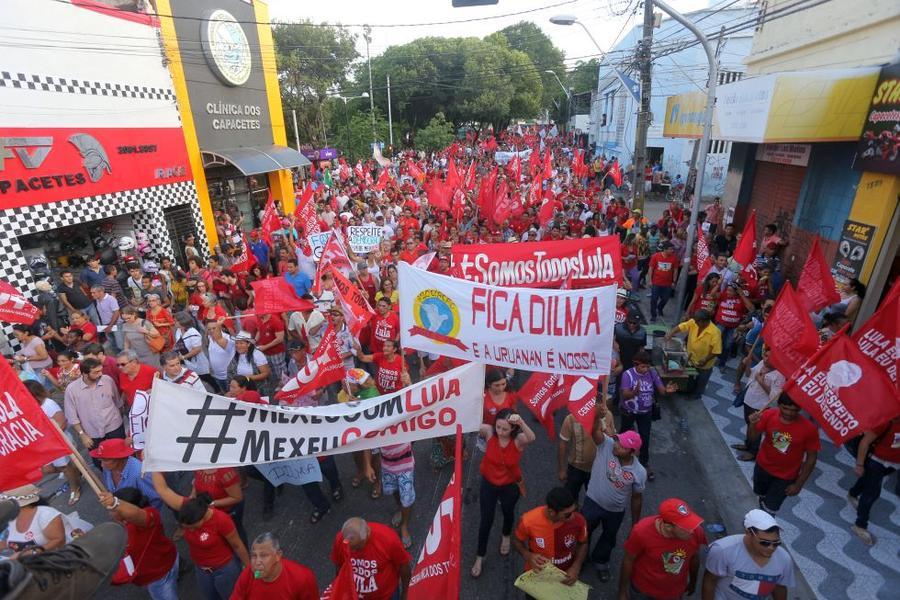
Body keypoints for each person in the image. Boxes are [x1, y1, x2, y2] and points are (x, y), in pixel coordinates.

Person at [152, 473, 250, 600]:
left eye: (193, 527)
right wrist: (152, 463)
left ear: (202, 516)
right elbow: (162, 490)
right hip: (202, 571)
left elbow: (237, 545)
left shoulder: (221, 520)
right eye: (186, 528)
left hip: (224, 571)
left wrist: (249, 568)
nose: (191, 530)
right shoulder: (188, 507)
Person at [471, 408, 536, 578]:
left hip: (509, 486)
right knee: (486, 520)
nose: (501, 432)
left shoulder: (519, 440)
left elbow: (532, 437)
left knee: (508, 513)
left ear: (513, 429)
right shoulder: (489, 432)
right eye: (498, 427)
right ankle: (480, 556)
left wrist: (521, 421)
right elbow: (470, 423)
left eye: (505, 429)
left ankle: (506, 535)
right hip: (488, 485)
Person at [581, 415, 646, 582]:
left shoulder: (639, 472)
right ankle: (579, 559)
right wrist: (595, 414)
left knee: (609, 538)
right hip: (592, 502)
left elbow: (637, 498)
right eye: (618, 441)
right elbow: (593, 430)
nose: (617, 445)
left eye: (622, 445)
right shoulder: (606, 445)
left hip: (615, 511)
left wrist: (635, 524)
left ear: (632, 452)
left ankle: (601, 561)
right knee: (583, 533)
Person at [98, 487, 179, 600]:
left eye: (112, 510)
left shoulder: (149, 515)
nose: (109, 513)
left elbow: (136, 514)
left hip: (158, 575)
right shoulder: (122, 524)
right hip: (165, 560)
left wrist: (115, 503)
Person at [618, 498, 707, 600]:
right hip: (643, 590)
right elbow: (628, 560)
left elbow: (694, 557)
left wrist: (693, 582)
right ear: (668, 527)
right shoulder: (641, 532)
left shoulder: (697, 532)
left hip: (673, 593)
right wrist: (622, 591)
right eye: (686, 527)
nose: (692, 531)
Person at [748, 394, 820, 514]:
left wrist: (798, 484)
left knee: (769, 511)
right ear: (779, 405)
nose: (789, 413)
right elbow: (752, 438)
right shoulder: (768, 414)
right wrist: (752, 424)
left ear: (800, 409)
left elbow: (811, 459)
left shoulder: (809, 429)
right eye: (785, 408)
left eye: (794, 410)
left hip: (785, 478)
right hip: (762, 468)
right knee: (761, 497)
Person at [702, 509, 795, 600]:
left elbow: (779, 587)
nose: (771, 548)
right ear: (748, 533)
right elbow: (710, 581)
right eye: (764, 543)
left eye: (776, 543)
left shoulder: (784, 558)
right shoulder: (722, 550)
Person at [618, 350, 677, 480]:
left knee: (645, 438)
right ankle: (620, 458)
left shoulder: (652, 373)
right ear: (636, 364)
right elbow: (625, 395)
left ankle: (644, 463)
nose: (646, 369)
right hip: (629, 411)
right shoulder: (628, 375)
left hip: (645, 412)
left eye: (648, 366)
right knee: (624, 435)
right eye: (643, 366)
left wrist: (667, 391)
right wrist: (634, 392)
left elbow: (661, 390)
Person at [23, 381, 82, 506]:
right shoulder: (30, 406)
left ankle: (74, 488)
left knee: (64, 467)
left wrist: (51, 440)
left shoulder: (48, 404)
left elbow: (62, 423)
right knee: (48, 469)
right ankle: (75, 472)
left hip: (58, 442)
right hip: (44, 444)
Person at [513, 487, 588, 585]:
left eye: (575, 510)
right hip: (536, 574)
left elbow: (583, 543)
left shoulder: (579, 521)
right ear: (552, 512)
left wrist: (576, 567)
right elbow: (516, 540)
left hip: (565, 576)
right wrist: (527, 555)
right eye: (567, 514)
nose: (573, 516)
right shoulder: (528, 521)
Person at [847, 416, 899, 546]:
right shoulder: (885, 423)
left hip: (893, 464)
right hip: (876, 461)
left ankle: (853, 493)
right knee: (872, 492)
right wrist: (859, 465)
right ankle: (860, 524)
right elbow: (865, 442)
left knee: (868, 480)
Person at [329, 517, 411, 600]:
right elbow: (339, 565)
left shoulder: (388, 539)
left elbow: (404, 566)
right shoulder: (341, 539)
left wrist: (406, 592)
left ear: (367, 535)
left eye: (357, 547)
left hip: (386, 596)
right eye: (349, 547)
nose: (352, 551)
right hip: (355, 595)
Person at [64, 357, 125, 466]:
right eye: (96, 372)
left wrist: (119, 421)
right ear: (84, 373)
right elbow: (72, 416)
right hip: (92, 433)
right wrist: (82, 435)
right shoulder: (71, 389)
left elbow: (117, 402)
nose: (100, 374)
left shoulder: (107, 380)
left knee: (122, 457)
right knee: (100, 462)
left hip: (114, 427)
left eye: (100, 370)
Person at [557, 397, 614, 501]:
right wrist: (562, 469)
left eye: (601, 402)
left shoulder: (608, 415)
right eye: (597, 403)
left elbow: (612, 439)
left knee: (594, 500)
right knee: (570, 499)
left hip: (598, 468)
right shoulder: (571, 418)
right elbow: (562, 443)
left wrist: (603, 423)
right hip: (576, 467)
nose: (602, 406)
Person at [231, 532, 318, 599]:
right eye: (254, 556)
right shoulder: (250, 574)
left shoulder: (302, 578)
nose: (257, 562)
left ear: (278, 555)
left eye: (263, 555)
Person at [733, 347, 784, 462]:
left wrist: (761, 382)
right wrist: (747, 364)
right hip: (749, 399)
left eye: (770, 358)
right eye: (765, 356)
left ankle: (753, 452)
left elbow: (775, 397)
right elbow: (749, 375)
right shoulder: (761, 363)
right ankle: (748, 444)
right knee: (748, 423)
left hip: (761, 406)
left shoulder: (779, 375)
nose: (766, 359)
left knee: (756, 428)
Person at [90, 438, 162, 510]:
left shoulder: (139, 473)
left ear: (120, 458)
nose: (102, 465)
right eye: (101, 460)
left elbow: (155, 500)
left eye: (105, 460)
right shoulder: (108, 468)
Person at [665, 309, 722, 399]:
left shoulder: (715, 332)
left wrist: (705, 359)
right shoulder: (694, 322)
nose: (694, 322)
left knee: (701, 380)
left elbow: (716, 351)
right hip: (690, 357)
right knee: (689, 376)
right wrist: (671, 333)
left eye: (697, 321)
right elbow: (681, 327)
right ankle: (687, 390)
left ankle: (696, 395)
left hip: (704, 363)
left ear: (704, 321)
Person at [0, 485, 68, 556]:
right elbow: (14, 541)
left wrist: (28, 554)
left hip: (58, 560)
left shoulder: (46, 514)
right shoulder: (11, 519)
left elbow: (59, 540)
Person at [714, 283, 754, 368]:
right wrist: (719, 283)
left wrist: (741, 294)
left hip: (733, 327)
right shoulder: (723, 295)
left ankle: (722, 363)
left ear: (736, 292)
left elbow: (751, 309)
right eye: (727, 290)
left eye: (730, 291)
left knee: (727, 345)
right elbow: (712, 294)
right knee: (714, 340)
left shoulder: (741, 299)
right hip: (720, 323)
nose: (727, 292)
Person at [228, 331, 273, 398]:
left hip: (257, 389)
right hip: (241, 390)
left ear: (248, 344)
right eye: (236, 343)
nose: (238, 345)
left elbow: (266, 373)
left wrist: (248, 378)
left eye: (241, 343)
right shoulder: (235, 354)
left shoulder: (257, 355)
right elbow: (230, 371)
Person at [648, 242, 678, 322]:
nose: (672, 251)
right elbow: (651, 269)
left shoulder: (674, 258)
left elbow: (675, 270)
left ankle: (660, 308)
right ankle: (653, 315)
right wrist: (650, 280)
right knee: (654, 299)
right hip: (656, 283)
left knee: (665, 299)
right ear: (665, 250)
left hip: (667, 284)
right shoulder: (655, 256)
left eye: (672, 249)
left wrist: (674, 281)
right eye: (670, 249)